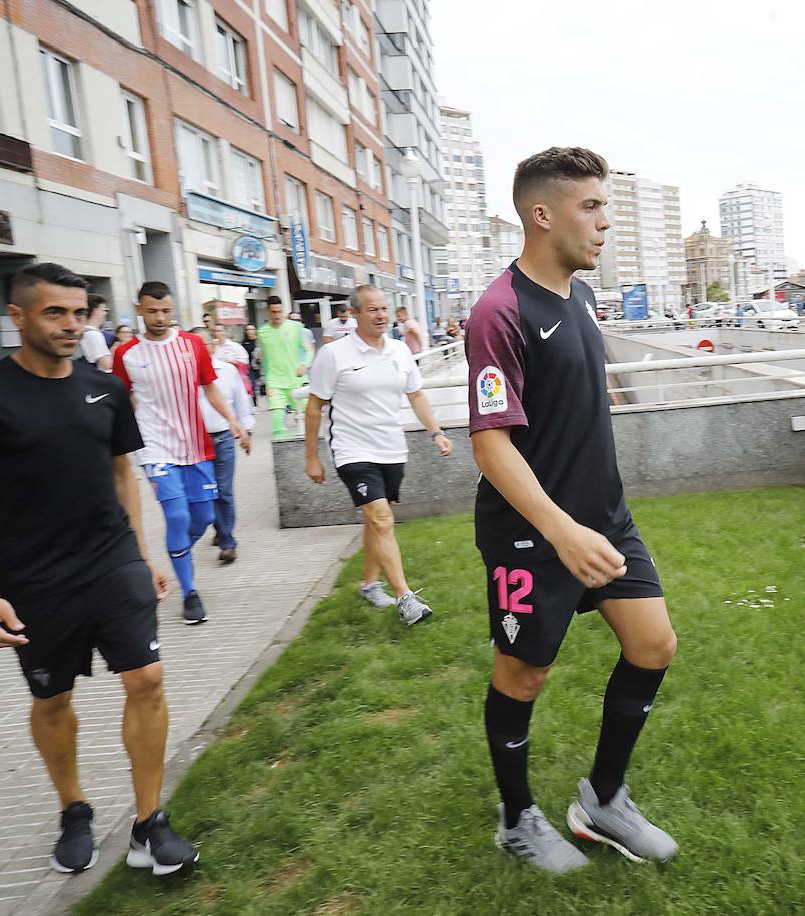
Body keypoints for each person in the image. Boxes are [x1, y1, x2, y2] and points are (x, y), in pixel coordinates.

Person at [0, 262, 199, 877]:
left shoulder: (104, 390)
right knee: (52, 698)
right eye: (56, 313)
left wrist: (140, 555)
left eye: (80, 313)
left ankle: (149, 822)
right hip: (32, 579)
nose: (72, 325)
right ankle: (73, 807)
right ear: (18, 317)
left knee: (147, 679)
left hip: (110, 561)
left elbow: (121, 477)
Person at [465, 147, 678, 874]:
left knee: (653, 645)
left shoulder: (583, 298)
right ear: (542, 214)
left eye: (605, 206)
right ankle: (517, 816)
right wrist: (561, 530)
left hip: (604, 518)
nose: (605, 222)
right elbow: (491, 446)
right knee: (524, 675)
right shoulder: (499, 312)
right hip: (532, 535)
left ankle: (603, 801)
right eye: (591, 207)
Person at [304, 284, 449, 624]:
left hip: (391, 449)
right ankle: (405, 598)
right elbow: (314, 408)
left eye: (384, 308)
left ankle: (369, 584)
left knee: (376, 520)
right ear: (353, 314)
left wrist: (437, 432)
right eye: (372, 309)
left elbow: (416, 396)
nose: (381, 314)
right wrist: (311, 457)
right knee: (382, 518)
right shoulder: (334, 355)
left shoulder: (399, 351)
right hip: (351, 449)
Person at [113, 282, 245, 624]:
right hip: (154, 448)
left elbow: (210, 387)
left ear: (174, 311)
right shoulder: (126, 353)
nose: (159, 318)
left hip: (195, 446)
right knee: (177, 517)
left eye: (166, 311)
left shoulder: (191, 346)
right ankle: (189, 593)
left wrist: (233, 421)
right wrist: (116, 440)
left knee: (202, 518)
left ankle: (177, 552)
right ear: (139, 309)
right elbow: (122, 401)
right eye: (152, 311)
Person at [198, 330, 254, 564]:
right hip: (196, 442)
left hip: (222, 438)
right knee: (204, 492)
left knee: (223, 490)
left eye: (204, 343)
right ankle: (220, 529)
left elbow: (241, 402)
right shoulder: (183, 375)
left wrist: (246, 431)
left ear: (212, 346)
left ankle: (228, 542)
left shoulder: (227, 371)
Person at [257, 300, 310, 437]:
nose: (277, 315)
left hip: (296, 381)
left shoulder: (295, 327)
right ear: (268, 312)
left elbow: (309, 350)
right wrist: (267, 383)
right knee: (277, 421)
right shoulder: (262, 332)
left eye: (279, 311)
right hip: (275, 383)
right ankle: (284, 453)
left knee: (308, 422)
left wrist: (305, 365)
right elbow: (265, 360)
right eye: (273, 312)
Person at [78, 294, 113, 371]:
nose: (106, 313)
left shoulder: (82, 332)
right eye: (104, 310)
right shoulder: (94, 335)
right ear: (95, 310)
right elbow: (106, 364)